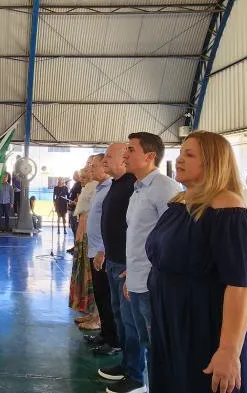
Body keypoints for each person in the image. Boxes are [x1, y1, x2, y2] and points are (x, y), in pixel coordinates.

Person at [145, 131, 247, 393]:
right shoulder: (181, 202)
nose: (179, 160)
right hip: (175, 321)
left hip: (207, 327)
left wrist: (229, 350)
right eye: (180, 153)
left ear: (213, 162)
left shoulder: (228, 209)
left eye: (189, 154)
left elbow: (241, 285)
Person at [111, 132, 182, 393]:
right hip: (138, 278)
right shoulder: (139, 188)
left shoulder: (164, 188)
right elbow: (141, 236)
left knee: (157, 345)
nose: (125, 155)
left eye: (131, 149)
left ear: (150, 156)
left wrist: (151, 274)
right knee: (143, 339)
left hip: (153, 284)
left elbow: (173, 237)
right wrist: (132, 272)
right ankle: (140, 380)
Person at [96, 143, 144, 390]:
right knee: (119, 316)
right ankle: (126, 364)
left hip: (126, 265)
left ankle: (136, 375)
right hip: (114, 261)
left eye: (109, 156)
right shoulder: (117, 185)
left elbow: (142, 230)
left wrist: (133, 265)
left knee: (130, 322)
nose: (105, 160)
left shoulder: (131, 186)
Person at [83, 153, 119, 356]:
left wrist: (103, 250)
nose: (91, 169)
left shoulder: (110, 189)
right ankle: (105, 334)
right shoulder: (100, 188)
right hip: (94, 249)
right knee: (100, 295)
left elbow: (112, 223)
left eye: (94, 165)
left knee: (107, 297)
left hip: (101, 252)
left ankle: (114, 340)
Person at [70, 157, 98, 327]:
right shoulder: (89, 186)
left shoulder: (98, 187)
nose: (87, 169)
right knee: (88, 276)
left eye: (91, 165)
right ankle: (91, 312)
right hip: (83, 233)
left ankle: (98, 317)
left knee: (93, 278)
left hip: (90, 236)